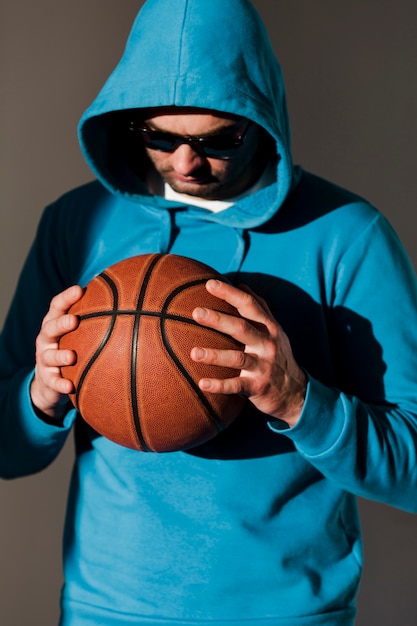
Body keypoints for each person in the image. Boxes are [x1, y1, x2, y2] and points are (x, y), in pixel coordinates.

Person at [1, 0, 417, 624]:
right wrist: (42, 395)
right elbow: (7, 450)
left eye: (217, 140)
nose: (187, 164)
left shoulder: (347, 237)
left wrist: (302, 402)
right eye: (161, 137)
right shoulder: (76, 224)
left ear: (261, 117)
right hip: (106, 609)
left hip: (284, 615)